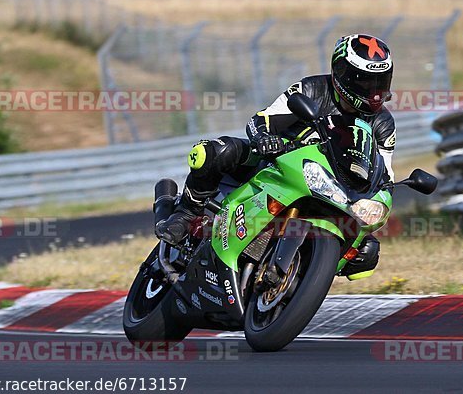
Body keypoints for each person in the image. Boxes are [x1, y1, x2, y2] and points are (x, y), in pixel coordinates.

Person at [155, 33, 397, 277]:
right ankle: (185, 214)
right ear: (341, 73)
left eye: (380, 82)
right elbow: (262, 119)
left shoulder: (384, 123)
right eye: (364, 82)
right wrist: (264, 139)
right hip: (276, 160)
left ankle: (305, 273)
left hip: (332, 186)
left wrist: (381, 196)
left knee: (368, 249)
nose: (373, 91)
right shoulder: (312, 89)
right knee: (214, 152)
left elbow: (385, 174)